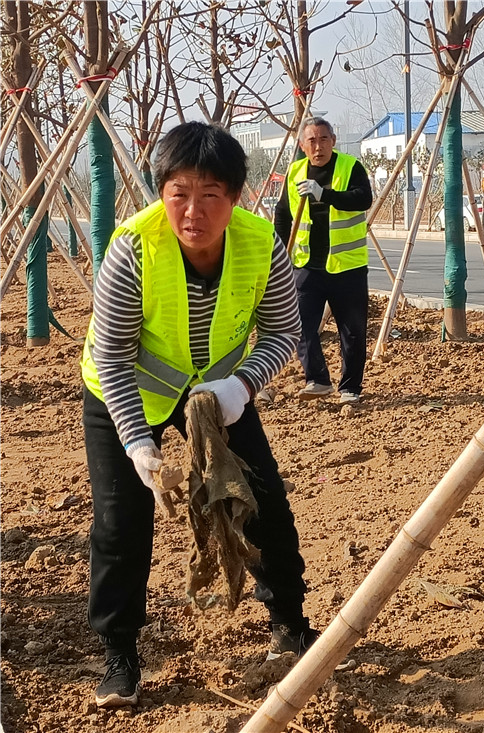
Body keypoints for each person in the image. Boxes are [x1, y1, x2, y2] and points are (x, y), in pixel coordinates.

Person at [81, 122, 319, 709]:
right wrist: (137, 443)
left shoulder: (260, 243)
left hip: (217, 398)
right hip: (125, 394)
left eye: (211, 194)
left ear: (235, 197)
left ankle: (290, 624)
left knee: (262, 502)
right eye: (179, 193)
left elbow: (284, 330)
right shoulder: (133, 248)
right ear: (161, 192)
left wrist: (242, 385)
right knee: (120, 522)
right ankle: (119, 655)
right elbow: (111, 354)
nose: (194, 211)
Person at [275, 117, 373, 404]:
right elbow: (283, 214)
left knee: (352, 331)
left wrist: (324, 194)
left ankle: (350, 388)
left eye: (323, 139)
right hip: (307, 265)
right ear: (302, 145)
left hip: (347, 266)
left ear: (333, 141)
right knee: (298, 325)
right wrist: (280, 253)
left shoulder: (350, 167)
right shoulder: (295, 172)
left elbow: (362, 199)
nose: (318, 146)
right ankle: (317, 379)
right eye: (312, 141)